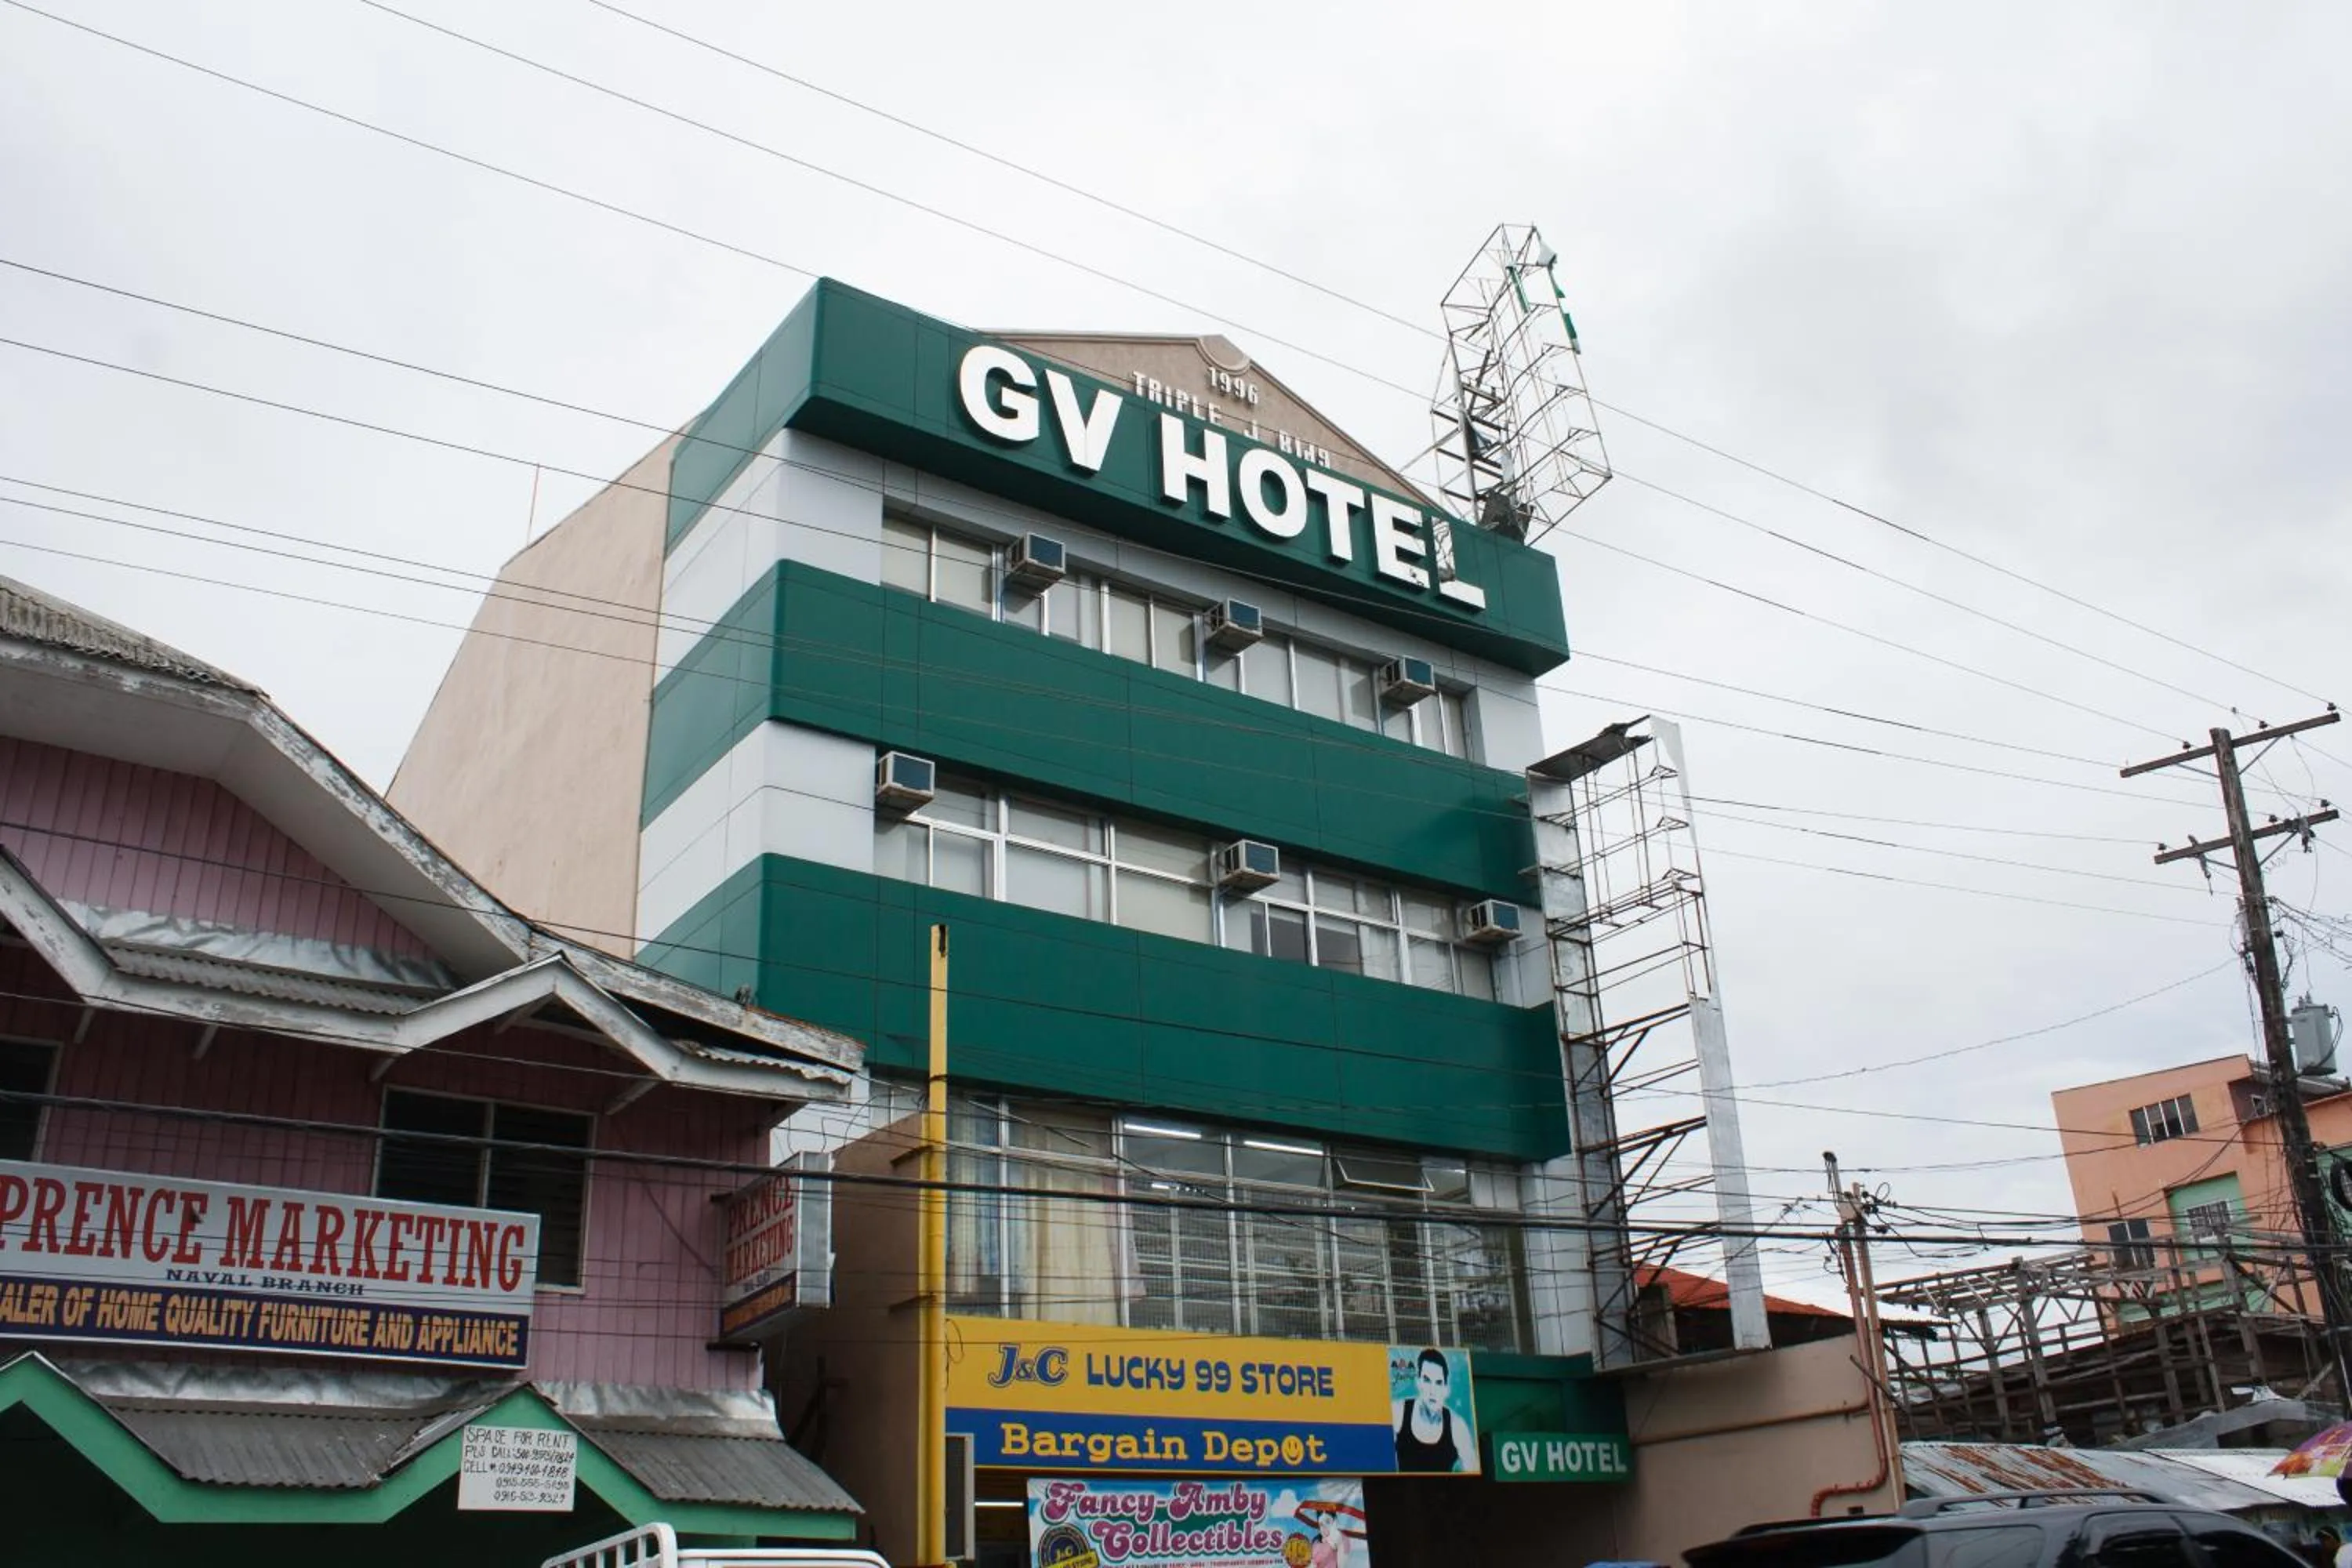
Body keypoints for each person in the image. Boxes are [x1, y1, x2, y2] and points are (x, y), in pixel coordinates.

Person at [1392, 1348, 1467, 1472]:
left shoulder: (1457, 1425)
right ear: (1418, 1383)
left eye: (1438, 1383)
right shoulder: (1398, 1412)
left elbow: (1472, 1466)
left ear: (1446, 1389)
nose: (1432, 1391)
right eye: (1427, 1380)